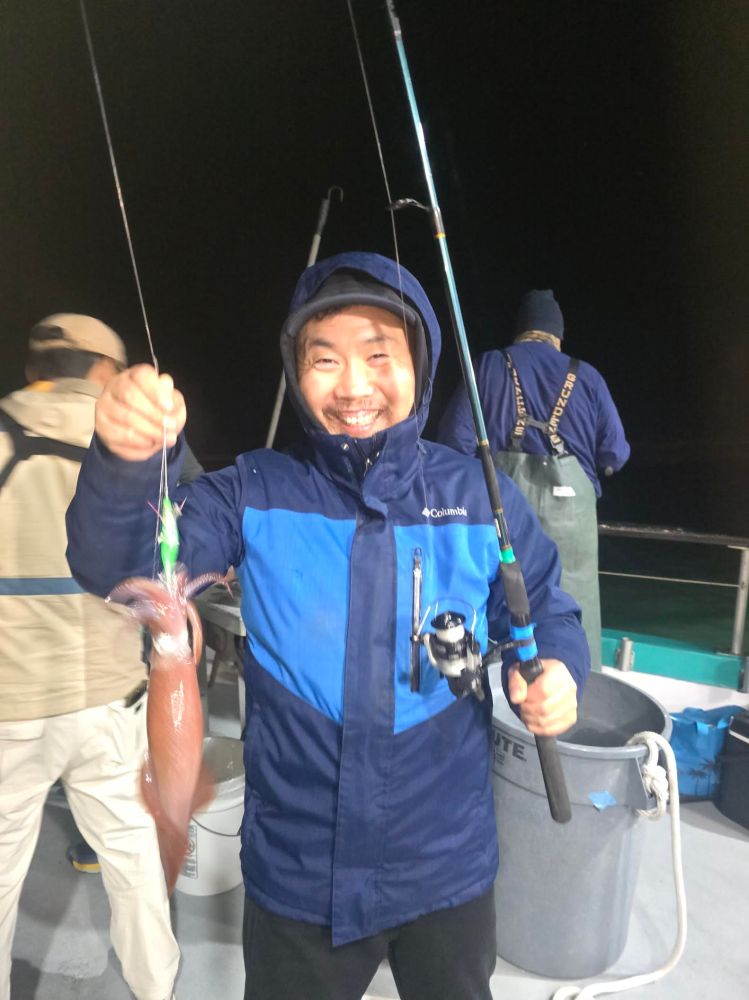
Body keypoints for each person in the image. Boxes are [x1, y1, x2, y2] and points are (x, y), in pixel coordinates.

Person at [66, 254, 590, 1000]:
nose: (352, 385)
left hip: (447, 870)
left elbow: (543, 608)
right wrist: (125, 458)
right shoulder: (253, 489)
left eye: (380, 355)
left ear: (422, 362)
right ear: (296, 370)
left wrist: (558, 670)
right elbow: (117, 569)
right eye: (324, 359)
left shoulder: (479, 495)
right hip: (297, 878)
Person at [0, 314, 179, 1000]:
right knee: (134, 861)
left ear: (36, 364)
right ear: (106, 372)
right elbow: (181, 544)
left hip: (11, 702)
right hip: (111, 698)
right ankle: (156, 988)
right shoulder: (135, 443)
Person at [436, 289, 630, 671]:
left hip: (504, 515)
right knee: (570, 615)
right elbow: (616, 454)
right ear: (556, 335)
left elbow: (452, 447)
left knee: (503, 606)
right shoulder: (586, 377)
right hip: (572, 528)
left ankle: (495, 687)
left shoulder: (490, 366)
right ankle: (572, 690)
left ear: (521, 331)